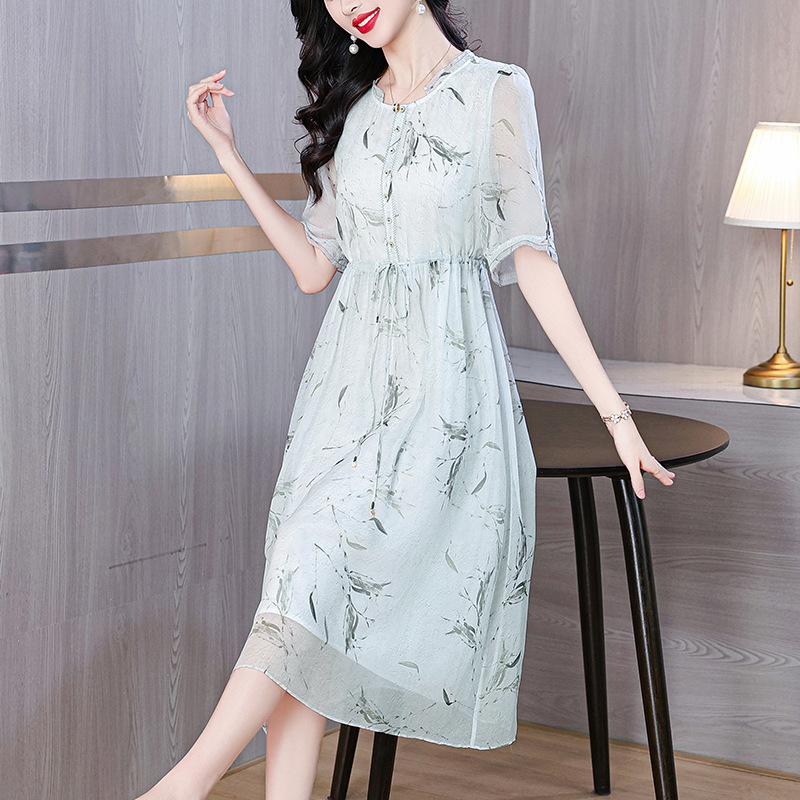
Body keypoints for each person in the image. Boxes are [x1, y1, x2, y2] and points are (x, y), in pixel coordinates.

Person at [136, 1, 676, 798]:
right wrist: (228, 155)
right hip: (343, 407)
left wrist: (615, 415)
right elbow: (315, 267)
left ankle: (181, 787)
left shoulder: (495, 90)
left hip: (445, 409)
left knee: (309, 590)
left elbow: (533, 261)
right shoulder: (353, 112)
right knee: (303, 600)